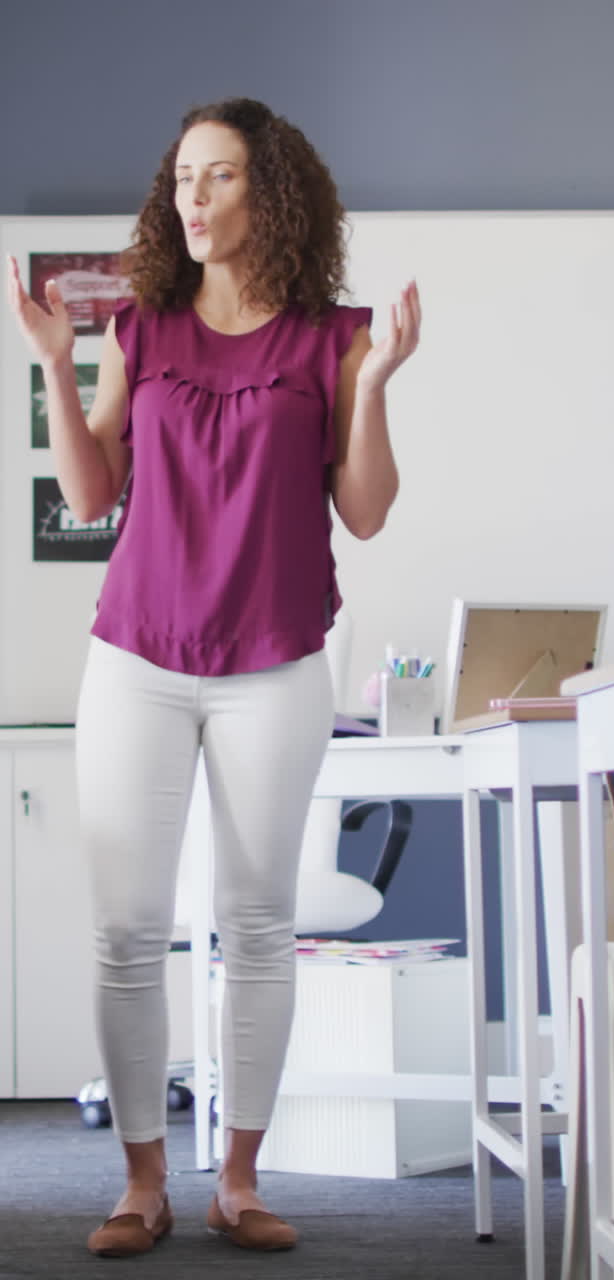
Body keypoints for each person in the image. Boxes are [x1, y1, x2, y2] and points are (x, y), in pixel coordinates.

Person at [6, 96, 421, 1258]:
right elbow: (90, 499)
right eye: (183, 176)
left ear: (270, 193)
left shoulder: (333, 340)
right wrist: (52, 362)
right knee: (128, 930)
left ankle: (238, 1176)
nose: (193, 196)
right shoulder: (139, 329)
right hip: (137, 655)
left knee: (256, 925)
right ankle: (143, 1181)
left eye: (220, 175)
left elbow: (367, 511)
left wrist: (379, 380)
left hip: (274, 661)